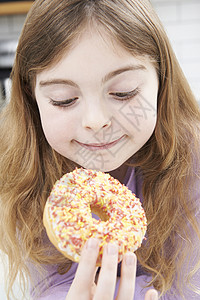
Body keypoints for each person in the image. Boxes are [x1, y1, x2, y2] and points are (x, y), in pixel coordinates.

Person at [0, 0, 200, 299]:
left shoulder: (191, 161)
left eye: (124, 92)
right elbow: (48, 282)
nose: (96, 121)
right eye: (63, 99)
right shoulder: (24, 169)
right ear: (32, 100)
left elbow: (190, 282)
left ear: (162, 83)